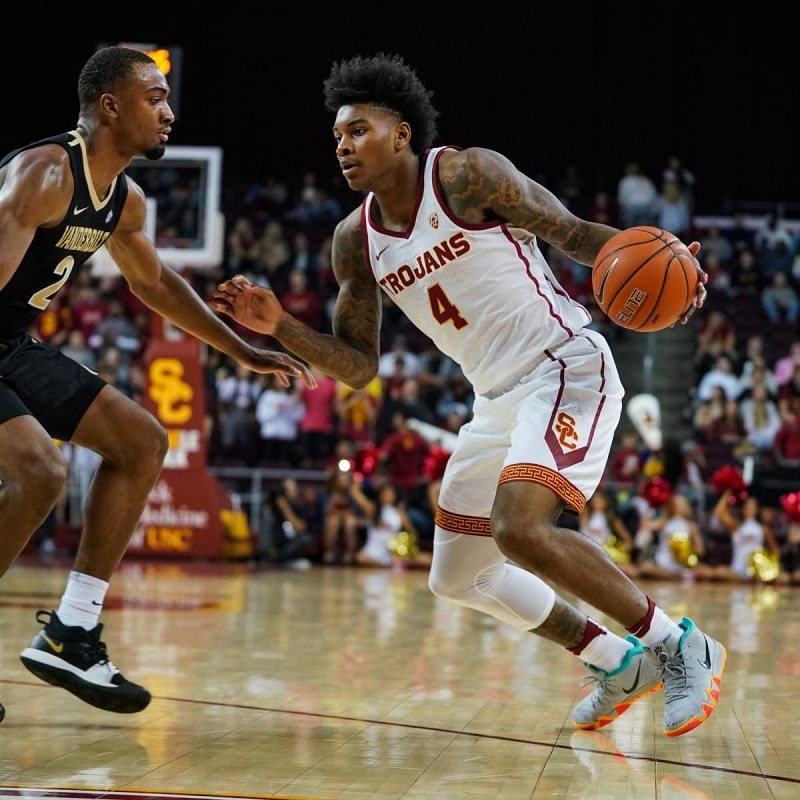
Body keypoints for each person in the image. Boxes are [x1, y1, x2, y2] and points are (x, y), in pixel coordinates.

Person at [212, 53, 723, 738]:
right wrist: (281, 327)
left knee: (520, 530)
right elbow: (359, 366)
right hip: (494, 400)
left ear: (401, 133)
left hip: (562, 365)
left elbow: (572, 234)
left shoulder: (465, 175)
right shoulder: (353, 243)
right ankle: (614, 660)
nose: (342, 146)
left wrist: (674, 269)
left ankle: (677, 643)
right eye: (337, 135)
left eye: (358, 129)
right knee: (456, 576)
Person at [0, 46, 313, 724]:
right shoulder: (45, 174)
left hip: (9, 345)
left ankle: (72, 634)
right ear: (110, 106)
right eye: (154, 97)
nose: (169, 111)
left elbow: (155, 284)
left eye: (167, 97)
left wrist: (241, 349)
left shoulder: (125, 200)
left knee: (141, 441)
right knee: (40, 471)